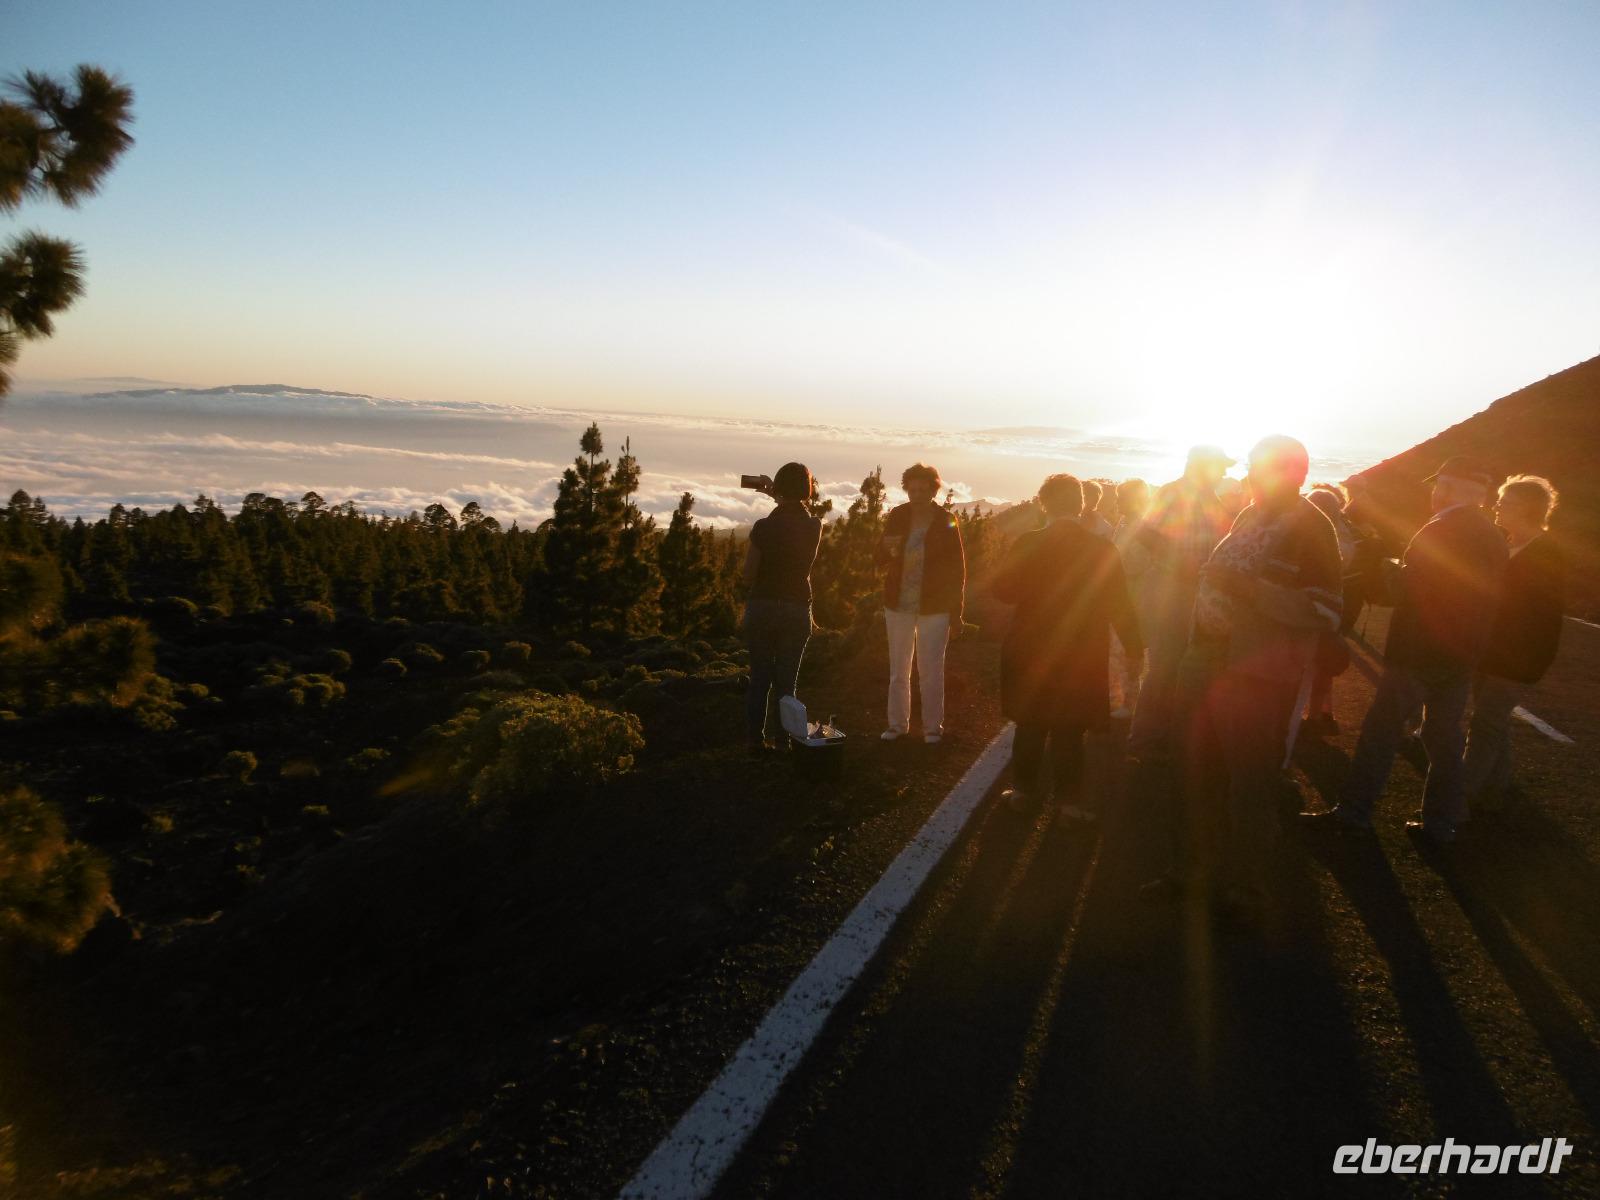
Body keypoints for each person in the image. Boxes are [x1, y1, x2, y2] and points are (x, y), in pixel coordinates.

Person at [1143, 436, 1342, 919]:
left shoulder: (1313, 529)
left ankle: (1244, 889)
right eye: (1253, 467)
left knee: (1249, 784)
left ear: (1295, 475)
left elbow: (1326, 609)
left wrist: (1252, 589)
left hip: (1255, 675)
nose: (1253, 477)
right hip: (1204, 662)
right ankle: (1188, 871)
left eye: (1264, 469)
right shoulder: (1249, 514)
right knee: (1193, 772)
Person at [1303, 455, 1509, 845]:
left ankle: (1354, 813)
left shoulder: (1440, 529)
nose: (1434, 493)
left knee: (1381, 733)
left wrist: (1387, 569)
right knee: (1444, 738)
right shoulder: (1494, 535)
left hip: (1420, 649)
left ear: (1451, 489)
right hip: (1463, 652)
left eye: (1439, 485)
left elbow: (1408, 589)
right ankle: (1441, 821)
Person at [992, 474, 1144, 821]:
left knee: (1030, 722)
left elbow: (1002, 591)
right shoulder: (1102, 548)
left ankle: (1023, 792)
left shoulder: (1028, 542)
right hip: (1082, 652)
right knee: (1070, 728)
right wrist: (1135, 646)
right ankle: (1068, 803)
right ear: (1080, 505)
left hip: (1030, 646)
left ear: (1044, 504)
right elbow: (1120, 604)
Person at [1462, 475, 1566, 816]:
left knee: (1485, 725)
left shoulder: (1545, 555)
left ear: (1526, 509)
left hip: (1514, 658)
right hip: (1492, 652)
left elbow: (1535, 616)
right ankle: (1496, 785)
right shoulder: (1510, 545)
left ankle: (1459, 799)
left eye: (1505, 502)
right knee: (1492, 722)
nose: (1496, 506)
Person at [1126, 446, 1235, 759]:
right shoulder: (1172, 493)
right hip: (1172, 589)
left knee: (1181, 665)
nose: (1224, 474)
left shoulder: (1211, 498)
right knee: (1165, 665)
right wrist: (1178, 561)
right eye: (1220, 467)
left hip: (1195, 591)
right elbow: (1143, 533)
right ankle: (1145, 741)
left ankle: (1167, 737)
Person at [876, 463, 967, 744]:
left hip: (935, 606)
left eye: (922, 490)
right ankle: (897, 725)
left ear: (932, 490)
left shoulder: (946, 520)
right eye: (911, 489)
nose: (916, 495)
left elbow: (957, 569)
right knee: (898, 670)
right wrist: (885, 549)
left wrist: (956, 613)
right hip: (898, 603)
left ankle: (932, 728)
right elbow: (879, 558)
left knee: (931, 670)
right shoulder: (897, 516)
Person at [741, 463, 822, 754]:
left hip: (761, 607)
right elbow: (800, 511)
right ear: (806, 490)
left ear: (778, 487)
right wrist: (781, 494)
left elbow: (748, 574)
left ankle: (754, 741)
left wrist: (776, 496)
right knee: (786, 682)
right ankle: (783, 741)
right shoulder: (814, 526)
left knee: (760, 678)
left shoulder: (763, 527)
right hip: (796, 608)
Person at [1301, 486, 1360, 734]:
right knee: (1324, 662)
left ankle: (1312, 715)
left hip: (1317, 607)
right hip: (1339, 606)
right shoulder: (1344, 533)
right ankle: (1324, 712)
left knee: (1311, 663)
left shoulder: (1319, 535)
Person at [1111, 478, 1152, 719]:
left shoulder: (1141, 526)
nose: (1117, 502)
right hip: (1122, 597)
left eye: (1121, 498)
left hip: (1135, 598)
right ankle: (1120, 701)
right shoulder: (1124, 523)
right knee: (1120, 650)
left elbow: (1136, 563)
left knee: (1129, 651)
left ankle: (1128, 704)